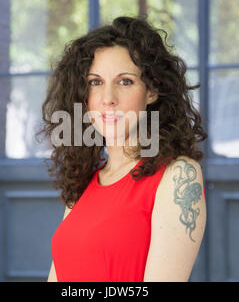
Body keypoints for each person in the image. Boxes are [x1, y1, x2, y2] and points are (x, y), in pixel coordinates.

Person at [36, 15, 208, 282]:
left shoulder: (178, 176)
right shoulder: (83, 182)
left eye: (125, 81)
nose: (108, 98)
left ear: (151, 90)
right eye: (95, 82)